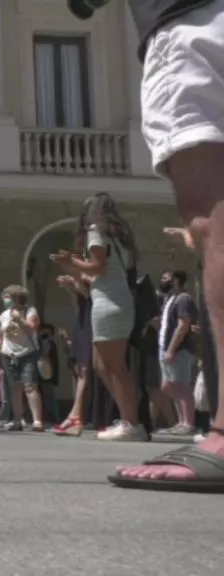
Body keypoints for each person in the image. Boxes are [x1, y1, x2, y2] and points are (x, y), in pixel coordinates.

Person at [69, 0, 224, 489]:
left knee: (213, 219)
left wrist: (73, 269)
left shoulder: (98, 235)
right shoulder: (119, 238)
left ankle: (149, 423)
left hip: (194, 21)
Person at [52, 193, 145, 442]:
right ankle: (128, 419)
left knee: (114, 367)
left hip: (109, 304)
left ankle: (131, 423)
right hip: (114, 300)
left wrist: (72, 260)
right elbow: (97, 277)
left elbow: (98, 266)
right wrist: (73, 268)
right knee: (102, 366)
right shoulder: (119, 238)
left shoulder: (96, 231)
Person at [0, 286, 45, 432]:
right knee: (15, 388)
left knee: (30, 386)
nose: (5, 300)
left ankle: (37, 421)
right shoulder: (3, 315)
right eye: (4, 297)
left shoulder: (30, 311)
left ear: (17, 298)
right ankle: (17, 420)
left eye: (8, 297)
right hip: (9, 355)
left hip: (27, 353)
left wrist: (19, 319)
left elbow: (32, 327)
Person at [154, 270, 200, 436]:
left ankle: (188, 423)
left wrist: (172, 349)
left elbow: (183, 325)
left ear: (177, 280)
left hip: (179, 350)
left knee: (182, 386)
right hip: (164, 348)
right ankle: (181, 422)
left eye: (166, 278)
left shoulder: (183, 299)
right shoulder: (170, 299)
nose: (163, 281)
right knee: (168, 386)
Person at [53, 276, 94, 436]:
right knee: (80, 371)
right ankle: (76, 417)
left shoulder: (92, 280)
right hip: (82, 325)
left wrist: (74, 284)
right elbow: (79, 305)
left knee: (84, 372)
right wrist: (71, 290)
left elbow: (90, 295)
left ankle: (75, 417)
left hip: (90, 326)